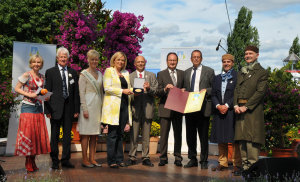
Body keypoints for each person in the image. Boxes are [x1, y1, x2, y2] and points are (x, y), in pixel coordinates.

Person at [233, 45, 268, 174]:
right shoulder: (241, 71)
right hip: (239, 110)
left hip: (252, 111)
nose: (247, 55)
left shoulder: (262, 72)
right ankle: (245, 167)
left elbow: (260, 92)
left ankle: (253, 168)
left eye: (250, 53)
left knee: (252, 139)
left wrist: (246, 107)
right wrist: (236, 105)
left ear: (257, 55)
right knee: (242, 138)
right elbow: (236, 89)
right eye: (246, 53)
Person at [44, 47, 80, 169]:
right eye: (61, 56)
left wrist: (76, 109)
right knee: (54, 136)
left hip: (69, 109)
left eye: (65, 57)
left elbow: (76, 93)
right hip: (54, 109)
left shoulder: (73, 72)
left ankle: (65, 160)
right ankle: (54, 160)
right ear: (57, 58)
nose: (63, 58)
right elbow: (46, 92)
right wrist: (47, 110)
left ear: (68, 59)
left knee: (67, 136)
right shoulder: (50, 72)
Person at [14, 54, 51, 172]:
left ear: (41, 64)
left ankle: (33, 160)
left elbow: (41, 92)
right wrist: (29, 94)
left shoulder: (42, 77)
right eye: (34, 62)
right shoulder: (26, 75)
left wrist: (46, 97)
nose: (36, 64)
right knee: (29, 136)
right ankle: (28, 161)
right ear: (31, 63)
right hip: (28, 107)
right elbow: (17, 88)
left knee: (36, 136)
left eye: (39, 62)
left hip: (38, 107)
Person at [210, 54, 242, 175]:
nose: (226, 63)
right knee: (220, 138)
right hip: (219, 111)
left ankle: (236, 164)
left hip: (231, 111)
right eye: (224, 62)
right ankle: (222, 162)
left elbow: (237, 94)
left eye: (229, 61)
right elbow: (213, 94)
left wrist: (227, 105)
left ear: (233, 63)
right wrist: (218, 106)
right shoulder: (217, 78)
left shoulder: (237, 76)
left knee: (234, 139)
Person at [183, 50, 214, 169]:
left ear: (201, 59)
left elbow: (214, 88)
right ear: (191, 59)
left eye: (198, 57)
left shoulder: (209, 71)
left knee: (203, 136)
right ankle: (192, 159)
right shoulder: (186, 72)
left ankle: (204, 160)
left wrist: (206, 91)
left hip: (203, 107)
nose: (196, 59)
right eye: (194, 57)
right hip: (190, 107)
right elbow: (185, 88)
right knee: (190, 135)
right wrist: (182, 90)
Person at [101, 51, 133, 168]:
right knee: (112, 134)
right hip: (113, 108)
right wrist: (122, 91)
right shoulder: (109, 71)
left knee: (120, 134)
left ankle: (120, 159)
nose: (121, 62)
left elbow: (128, 88)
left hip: (124, 105)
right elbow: (107, 88)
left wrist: (137, 90)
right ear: (114, 61)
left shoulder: (126, 73)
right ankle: (111, 160)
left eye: (123, 60)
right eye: (118, 59)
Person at [128, 55, 158, 167]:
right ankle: (132, 157)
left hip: (148, 109)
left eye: (142, 62)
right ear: (135, 64)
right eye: (138, 62)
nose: (140, 64)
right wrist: (133, 92)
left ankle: (145, 157)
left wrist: (149, 88)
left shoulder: (151, 75)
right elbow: (128, 92)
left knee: (146, 136)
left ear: (145, 63)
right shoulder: (130, 76)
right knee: (134, 135)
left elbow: (156, 91)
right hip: (135, 109)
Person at [156, 52, 184, 167]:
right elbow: (157, 92)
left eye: (174, 60)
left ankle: (178, 157)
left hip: (178, 108)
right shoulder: (161, 74)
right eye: (170, 60)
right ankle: (163, 157)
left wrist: (184, 90)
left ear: (177, 61)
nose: (172, 62)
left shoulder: (182, 74)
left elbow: (186, 88)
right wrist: (165, 89)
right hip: (165, 108)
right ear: (167, 61)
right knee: (164, 135)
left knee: (178, 134)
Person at [78, 50, 103, 168]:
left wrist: (102, 108)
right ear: (88, 60)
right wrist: (84, 109)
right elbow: (81, 93)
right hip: (87, 105)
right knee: (86, 134)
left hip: (97, 106)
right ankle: (84, 159)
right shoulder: (83, 74)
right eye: (92, 59)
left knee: (94, 134)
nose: (94, 61)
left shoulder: (100, 74)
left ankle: (92, 159)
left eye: (96, 59)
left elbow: (102, 93)